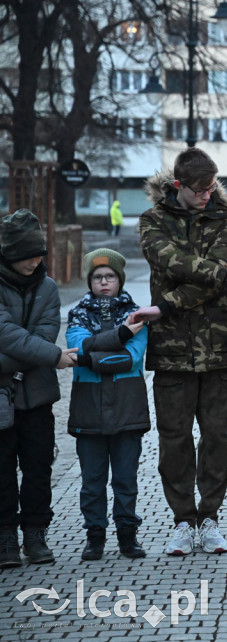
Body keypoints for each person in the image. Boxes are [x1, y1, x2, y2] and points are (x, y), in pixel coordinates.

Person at [132, 147, 227, 556]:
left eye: (211, 187)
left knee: (216, 438)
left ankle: (209, 518)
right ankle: (182, 519)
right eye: (198, 189)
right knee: (174, 439)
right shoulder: (152, 221)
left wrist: (165, 305)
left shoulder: (224, 218)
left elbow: (205, 279)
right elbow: (171, 262)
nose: (207, 195)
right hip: (171, 350)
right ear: (179, 185)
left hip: (218, 347)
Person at [0, 209, 78, 568]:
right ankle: (5, 539)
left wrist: (36, 353)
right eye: (27, 255)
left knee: (38, 466)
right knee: (1, 470)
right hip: (3, 396)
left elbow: (44, 335)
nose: (35, 261)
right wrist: (51, 356)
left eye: (38, 254)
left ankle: (35, 533)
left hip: (39, 396)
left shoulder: (48, 288)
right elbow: (8, 334)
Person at [66, 248, 149, 560]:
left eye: (110, 276)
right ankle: (95, 537)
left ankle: (128, 536)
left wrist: (91, 357)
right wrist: (122, 334)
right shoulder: (77, 315)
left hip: (128, 406)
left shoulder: (138, 315)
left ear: (119, 279)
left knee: (126, 480)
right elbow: (78, 346)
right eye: (98, 277)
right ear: (89, 281)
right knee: (92, 482)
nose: (104, 282)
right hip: (89, 409)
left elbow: (130, 358)